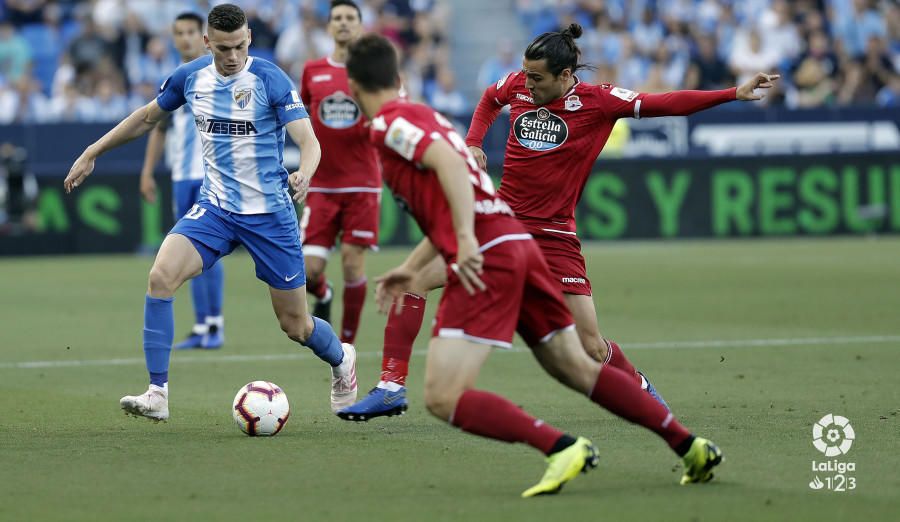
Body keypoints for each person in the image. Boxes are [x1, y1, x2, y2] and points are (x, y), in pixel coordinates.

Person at [344, 33, 723, 496]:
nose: (527, 81)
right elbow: (462, 182)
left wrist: (462, 241)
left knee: (444, 397)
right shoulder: (424, 115)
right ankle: (690, 446)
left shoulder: (390, 127)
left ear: (354, 87)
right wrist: (426, 255)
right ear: (399, 79)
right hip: (511, 238)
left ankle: (561, 447)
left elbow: (448, 166)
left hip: (493, 252)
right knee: (578, 367)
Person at [63, 3, 357, 421]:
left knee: (296, 325)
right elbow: (147, 119)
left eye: (239, 46)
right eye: (222, 48)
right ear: (207, 43)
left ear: (249, 38)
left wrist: (305, 174)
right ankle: (157, 394)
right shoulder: (191, 77)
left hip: (270, 215)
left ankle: (342, 360)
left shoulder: (270, 78)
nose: (232, 56)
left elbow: (310, 142)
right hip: (216, 208)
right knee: (160, 277)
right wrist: (93, 151)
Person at [139, 12, 227, 350]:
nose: (186, 38)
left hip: (210, 174)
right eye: (180, 33)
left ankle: (215, 323)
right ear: (174, 38)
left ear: (203, 36)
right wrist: (148, 171)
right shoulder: (176, 79)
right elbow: (158, 128)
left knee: (208, 249)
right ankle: (202, 323)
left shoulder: (220, 74)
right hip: (181, 176)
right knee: (187, 248)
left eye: (192, 31)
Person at [298, 0, 380, 344]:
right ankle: (324, 293)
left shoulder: (374, 71)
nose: (343, 23)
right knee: (307, 272)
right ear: (328, 26)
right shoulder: (313, 70)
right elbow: (300, 117)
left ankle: (346, 345)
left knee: (351, 264)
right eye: (337, 18)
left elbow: (392, 114)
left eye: (350, 18)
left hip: (362, 184)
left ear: (360, 25)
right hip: (322, 184)